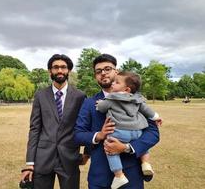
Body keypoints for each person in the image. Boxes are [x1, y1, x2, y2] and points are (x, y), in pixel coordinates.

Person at [74, 54, 160, 189]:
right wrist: (99, 135)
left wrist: (127, 148)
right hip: (99, 177)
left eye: (107, 69)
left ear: (116, 71)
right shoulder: (90, 103)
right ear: (95, 76)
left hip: (131, 176)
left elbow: (153, 133)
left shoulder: (135, 99)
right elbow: (78, 134)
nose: (103, 73)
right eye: (98, 71)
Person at [21, 54, 88, 189]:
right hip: (43, 158)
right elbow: (35, 129)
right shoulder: (40, 95)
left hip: (69, 158)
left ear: (69, 70)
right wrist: (29, 162)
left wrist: (87, 153)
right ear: (50, 71)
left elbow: (86, 127)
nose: (59, 71)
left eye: (63, 67)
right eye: (55, 67)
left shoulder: (80, 96)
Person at [96, 71, 162, 188]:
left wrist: (100, 103)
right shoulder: (137, 99)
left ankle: (119, 175)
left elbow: (101, 108)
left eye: (116, 82)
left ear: (126, 89)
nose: (113, 84)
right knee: (144, 147)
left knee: (110, 148)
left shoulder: (111, 98)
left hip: (120, 132)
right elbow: (147, 110)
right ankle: (145, 163)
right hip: (137, 132)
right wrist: (156, 117)